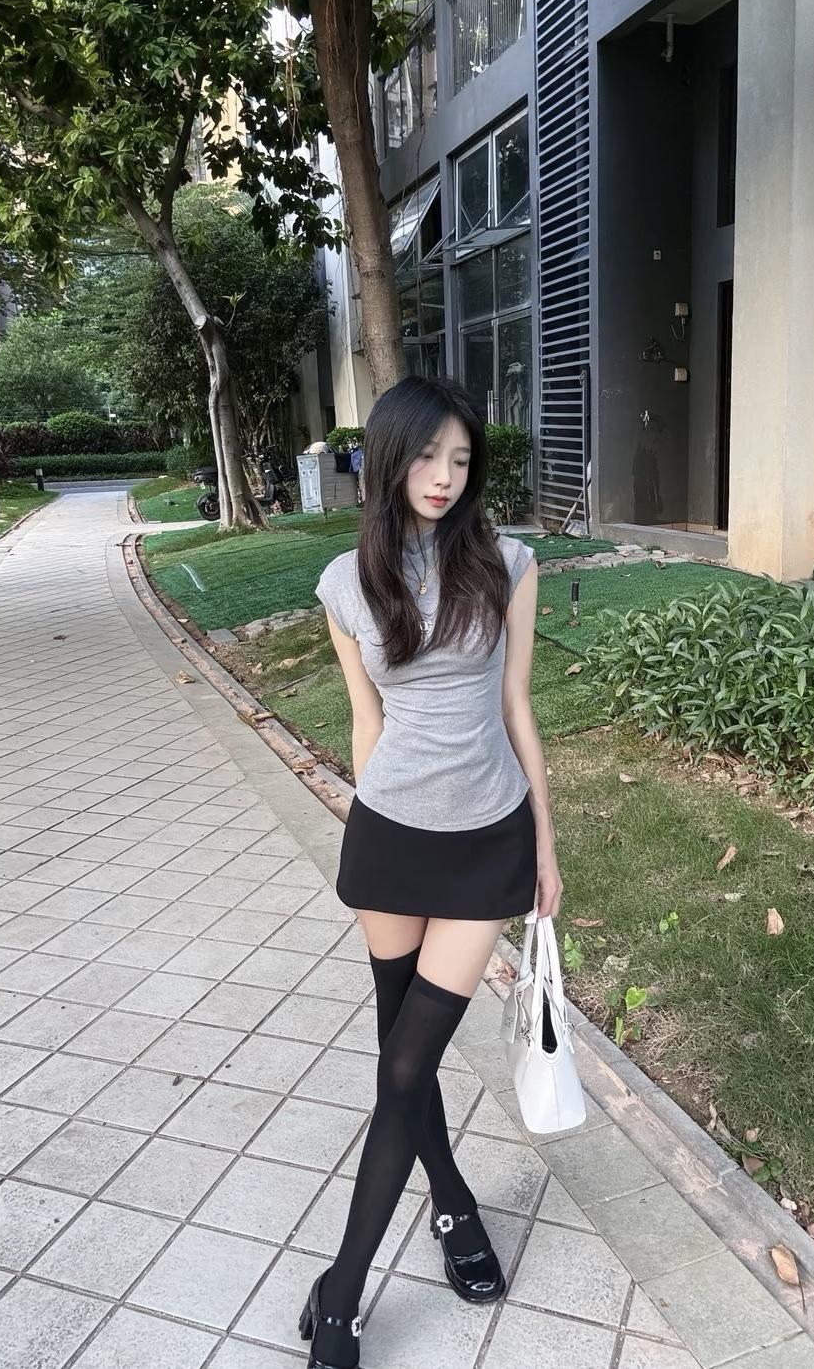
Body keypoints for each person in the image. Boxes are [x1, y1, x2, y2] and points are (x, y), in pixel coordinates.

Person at [304, 376, 563, 1369]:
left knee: (410, 1063)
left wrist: (544, 845)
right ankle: (451, 1202)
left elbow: (518, 707)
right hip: (391, 838)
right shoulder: (346, 583)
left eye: (460, 458)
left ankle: (341, 1293)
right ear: (389, 457)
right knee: (398, 1055)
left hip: (487, 837)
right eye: (426, 455)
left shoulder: (508, 563)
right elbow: (365, 721)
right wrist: (368, 826)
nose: (445, 476)